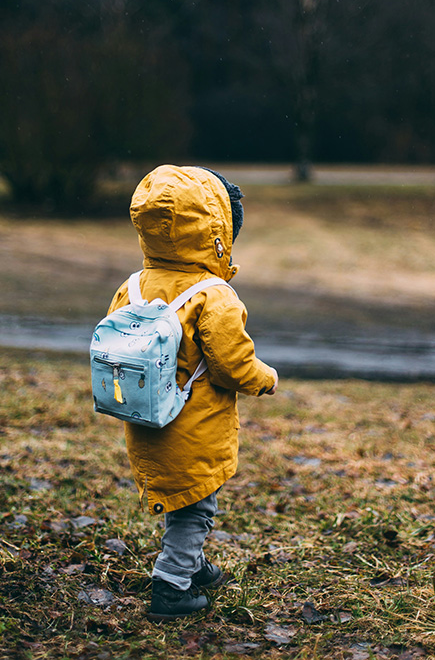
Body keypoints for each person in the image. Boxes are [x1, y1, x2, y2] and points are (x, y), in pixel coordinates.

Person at [106, 165, 278, 621]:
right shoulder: (212, 295)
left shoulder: (134, 287)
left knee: (183, 498)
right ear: (216, 232)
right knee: (196, 507)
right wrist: (265, 377)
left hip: (146, 420)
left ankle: (193, 564)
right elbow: (232, 363)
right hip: (193, 426)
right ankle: (172, 585)